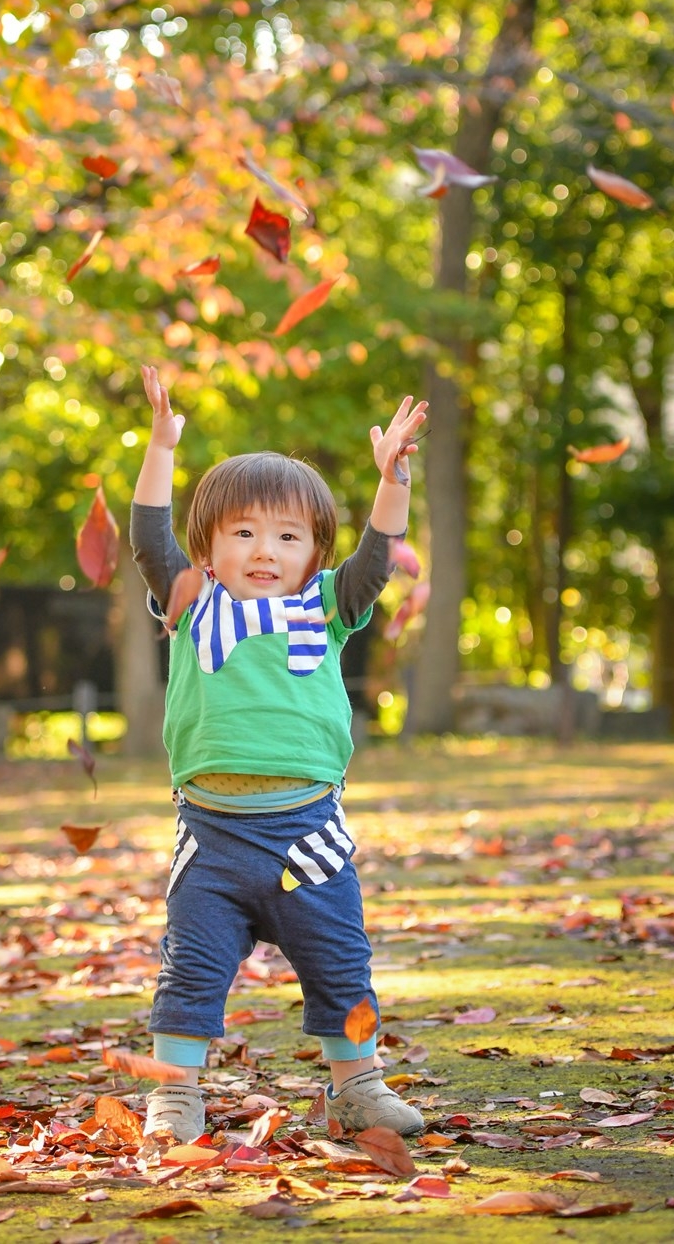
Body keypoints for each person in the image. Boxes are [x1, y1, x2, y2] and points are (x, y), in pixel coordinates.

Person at [130, 364, 428, 1143]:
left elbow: (379, 553)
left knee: (341, 962)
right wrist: (162, 446)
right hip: (214, 839)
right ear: (210, 546)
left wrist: (392, 480)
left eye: (288, 536)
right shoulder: (192, 600)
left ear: (313, 550)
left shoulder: (327, 605)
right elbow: (146, 533)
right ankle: (174, 1096)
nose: (266, 550)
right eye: (244, 533)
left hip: (310, 835)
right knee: (190, 971)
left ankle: (357, 1087)